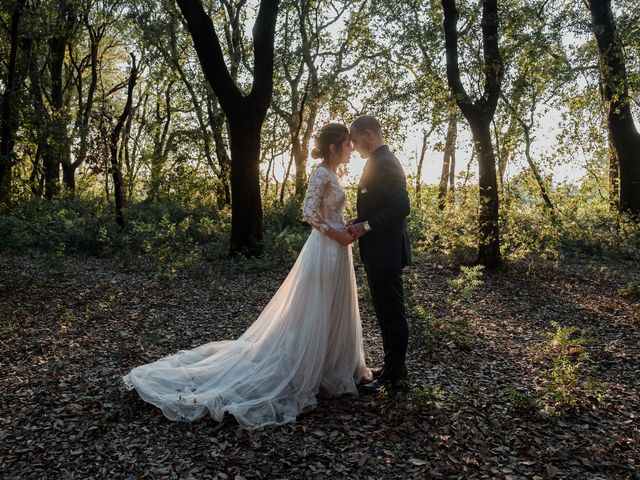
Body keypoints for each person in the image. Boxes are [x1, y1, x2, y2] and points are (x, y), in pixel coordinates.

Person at [122, 123, 371, 429]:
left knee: (334, 308)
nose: (351, 148)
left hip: (338, 250)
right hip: (323, 249)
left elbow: (330, 212)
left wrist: (349, 227)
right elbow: (308, 212)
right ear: (334, 147)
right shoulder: (321, 173)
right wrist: (336, 234)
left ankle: (330, 369)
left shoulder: (337, 174)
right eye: (347, 143)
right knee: (315, 308)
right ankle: (303, 368)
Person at [347, 115, 412, 394]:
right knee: (386, 314)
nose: (353, 144)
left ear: (369, 134)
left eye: (355, 138)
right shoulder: (377, 162)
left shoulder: (385, 162)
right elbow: (379, 205)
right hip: (378, 251)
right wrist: (359, 220)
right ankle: (391, 368)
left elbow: (401, 206)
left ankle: (396, 378)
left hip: (386, 251)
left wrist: (367, 225)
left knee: (392, 315)